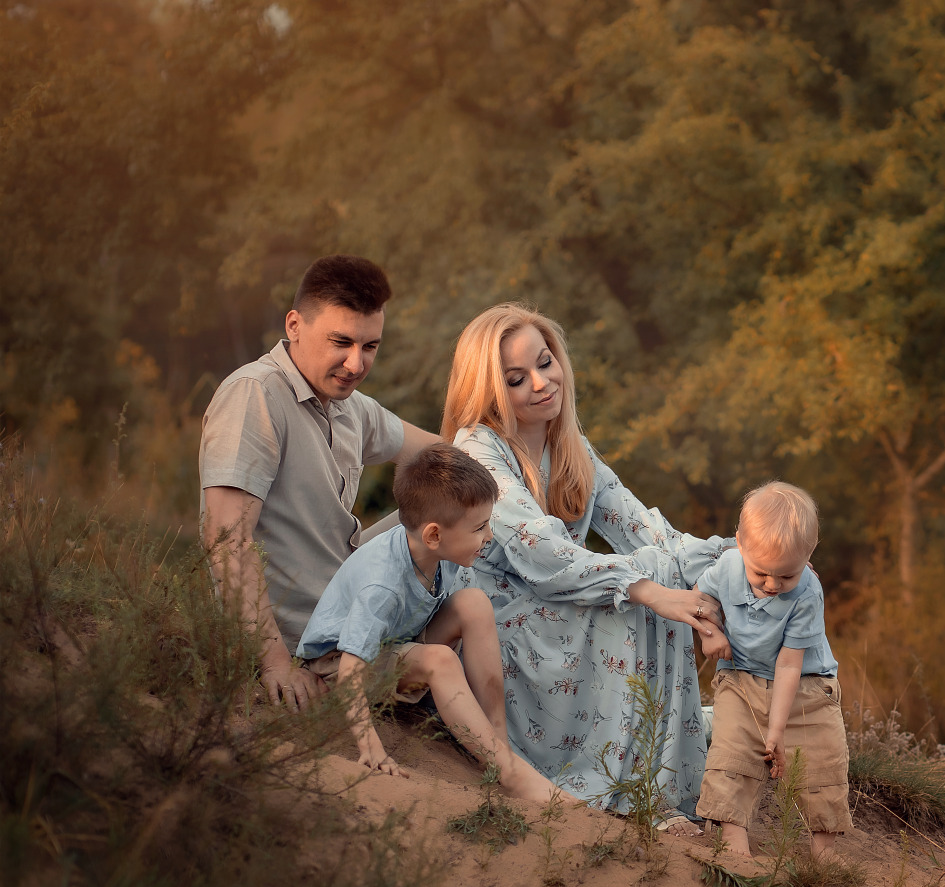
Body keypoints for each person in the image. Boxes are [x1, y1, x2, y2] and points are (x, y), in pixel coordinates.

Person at [442, 302, 728, 833]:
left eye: (545, 362)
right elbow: (546, 555)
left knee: (662, 568)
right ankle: (631, 796)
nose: (541, 383)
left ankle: (662, 781)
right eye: (515, 378)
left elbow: (643, 527)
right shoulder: (476, 452)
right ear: (488, 388)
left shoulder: (565, 440)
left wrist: (736, 559)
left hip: (559, 611)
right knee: (643, 587)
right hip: (507, 631)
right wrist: (645, 587)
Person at [199, 255, 440, 710]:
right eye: (341, 342)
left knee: (461, 515)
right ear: (294, 325)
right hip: (302, 639)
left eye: (370, 347)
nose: (355, 363)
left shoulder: (349, 407)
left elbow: (442, 453)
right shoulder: (255, 394)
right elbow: (225, 537)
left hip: (345, 605)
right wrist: (274, 662)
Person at [295, 444, 572, 800]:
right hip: (338, 667)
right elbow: (350, 670)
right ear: (434, 535)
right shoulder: (382, 585)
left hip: (393, 645)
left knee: (473, 603)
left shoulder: (439, 552)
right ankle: (511, 774)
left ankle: (498, 744)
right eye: (480, 528)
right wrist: (370, 746)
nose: (488, 537)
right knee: (440, 660)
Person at [693, 482, 850, 857]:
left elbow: (790, 662)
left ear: (809, 556)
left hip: (805, 687)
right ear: (739, 545)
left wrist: (776, 729)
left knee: (823, 763)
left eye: (787, 576)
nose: (773, 584)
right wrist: (710, 633)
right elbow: (701, 597)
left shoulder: (808, 591)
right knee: (730, 756)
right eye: (762, 572)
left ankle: (823, 851)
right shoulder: (727, 566)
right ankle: (734, 844)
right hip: (741, 679)